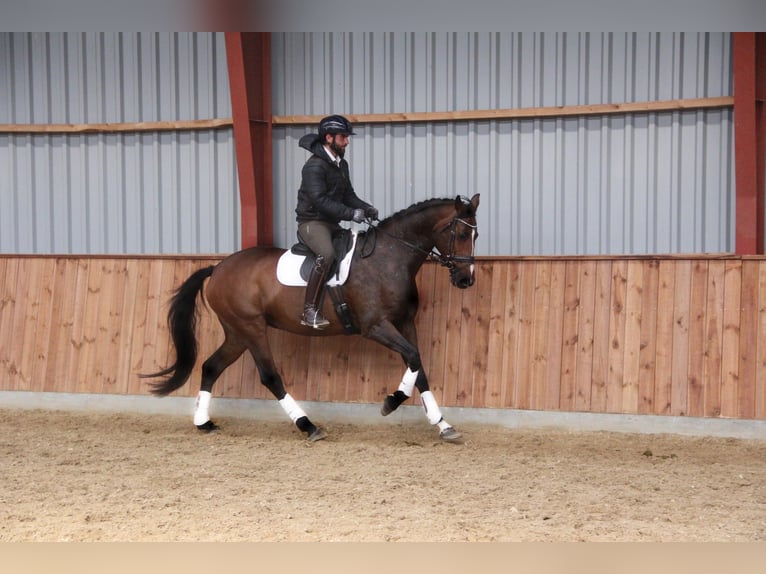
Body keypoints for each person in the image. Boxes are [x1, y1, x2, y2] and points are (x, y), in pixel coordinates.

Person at [295, 114, 378, 329]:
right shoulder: (314, 167)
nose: (347, 141)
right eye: (343, 137)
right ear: (329, 138)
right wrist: (351, 215)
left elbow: (348, 195)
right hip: (312, 223)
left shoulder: (341, 165)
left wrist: (364, 208)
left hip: (332, 223)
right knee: (327, 254)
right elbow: (320, 200)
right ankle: (309, 310)